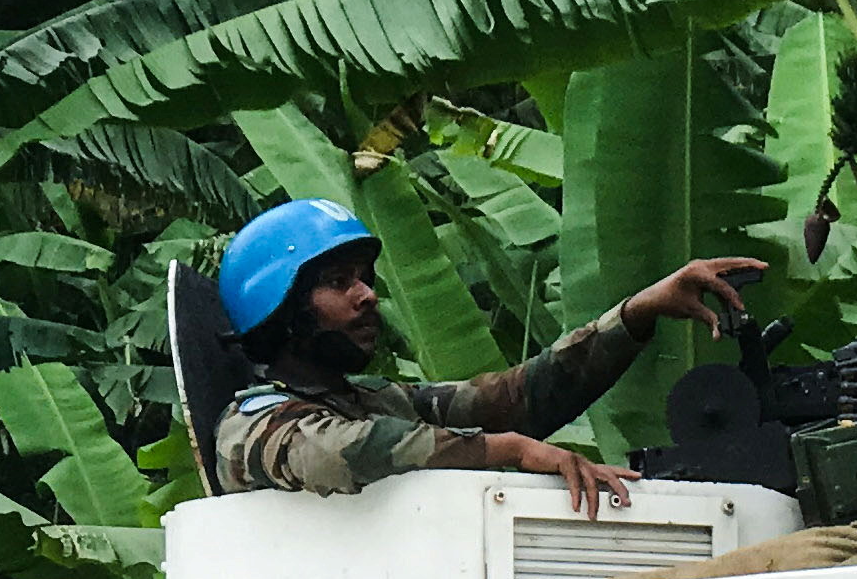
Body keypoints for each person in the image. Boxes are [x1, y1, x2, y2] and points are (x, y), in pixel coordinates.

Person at [210, 199, 762, 514]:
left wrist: (639, 311)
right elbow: (336, 454)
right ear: (279, 310)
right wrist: (512, 450)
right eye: (338, 282)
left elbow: (512, 399)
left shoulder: (368, 400)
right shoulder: (253, 425)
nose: (368, 295)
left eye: (366, 279)